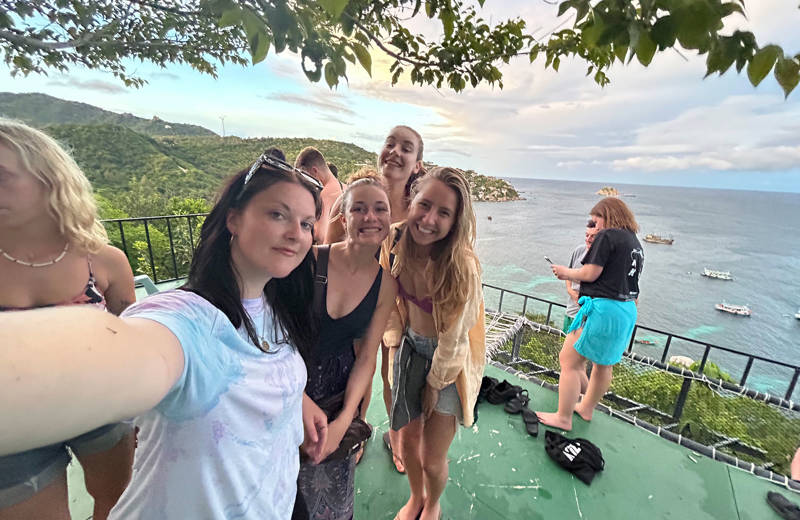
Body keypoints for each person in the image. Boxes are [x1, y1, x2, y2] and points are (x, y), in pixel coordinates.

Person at [0, 150, 329, 519]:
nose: (295, 234)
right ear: (233, 219)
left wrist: (296, 397)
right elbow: (136, 352)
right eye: (277, 214)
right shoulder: (185, 319)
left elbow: (256, 361)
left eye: (306, 224)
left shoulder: (276, 305)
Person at [0, 119, 136, 520]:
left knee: (118, 506)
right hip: (12, 426)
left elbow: (131, 338)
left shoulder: (103, 261)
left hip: (101, 409)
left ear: (48, 180)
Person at [386, 167, 485, 520]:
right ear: (412, 200)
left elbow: (456, 338)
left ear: (456, 221)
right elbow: (389, 299)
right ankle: (417, 497)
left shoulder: (461, 266)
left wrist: (434, 384)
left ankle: (433, 503)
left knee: (432, 457)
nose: (429, 219)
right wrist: (395, 344)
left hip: (449, 362)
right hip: (411, 348)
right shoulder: (394, 241)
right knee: (408, 442)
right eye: (425, 205)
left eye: (444, 212)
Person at [325, 125, 425, 474]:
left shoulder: (419, 210)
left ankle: (396, 438)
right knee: (359, 368)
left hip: (403, 306)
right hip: (358, 298)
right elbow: (329, 243)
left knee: (394, 375)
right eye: (390, 143)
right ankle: (358, 429)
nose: (395, 152)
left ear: (417, 164)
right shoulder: (356, 195)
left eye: (406, 148)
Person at [298, 173, 398, 519]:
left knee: (331, 494)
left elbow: (367, 356)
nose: (370, 217)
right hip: (289, 381)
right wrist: (296, 396)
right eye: (359, 208)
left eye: (380, 209)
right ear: (343, 218)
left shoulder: (386, 285)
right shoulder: (311, 260)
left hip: (339, 391)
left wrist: (344, 421)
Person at [537, 197, 643, 431]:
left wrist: (565, 272)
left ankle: (563, 417)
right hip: (626, 310)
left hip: (603, 308)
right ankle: (586, 408)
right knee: (603, 365)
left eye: (596, 221)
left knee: (569, 361)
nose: (594, 227)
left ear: (608, 216)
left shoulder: (608, 236)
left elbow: (590, 273)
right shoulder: (634, 243)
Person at [295, 146, 344, 243]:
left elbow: (320, 235)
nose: (304, 181)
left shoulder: (324, 194)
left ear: (314, 171)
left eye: (305, 176)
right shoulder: (345, 188)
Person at [563, 220, 599, 333]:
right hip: (571, 310)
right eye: (587, 235)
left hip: (588, 317)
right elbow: (568, 274)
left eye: (593, 236)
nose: (588, 239)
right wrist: (570, 291)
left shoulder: (601, 259)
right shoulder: (579, 250)